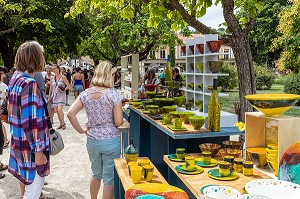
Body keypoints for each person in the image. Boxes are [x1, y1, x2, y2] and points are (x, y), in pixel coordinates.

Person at [67, 61, 123, 199]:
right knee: (109, 178)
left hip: (92, 140)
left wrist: (81, 130)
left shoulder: (86, 94)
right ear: (109, 75)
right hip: (110, 140)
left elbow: (70, 113)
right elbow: (118, 121)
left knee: (96, 174)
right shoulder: (113, 94)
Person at [8, 41, 50, 199]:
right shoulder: (29, 84)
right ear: (36, 58)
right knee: (32, 192)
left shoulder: (15, 80)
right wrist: (38, 151)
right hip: (31, 149)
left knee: (29, 190)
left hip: (20, 144)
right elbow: (30, 123)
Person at [48, 64, 70, 130]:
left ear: (58, 69)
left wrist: (63, 89)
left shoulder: (63, 77)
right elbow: (51, 88)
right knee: (57, 110)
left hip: (61, 95)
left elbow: (68, 85)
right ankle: (61, 123)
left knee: (60, 109)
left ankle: (63, 124)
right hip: (55, 95)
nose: (53, 70)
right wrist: (49, 97)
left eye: (54, 68)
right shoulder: (52, 78)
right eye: (53, 69)